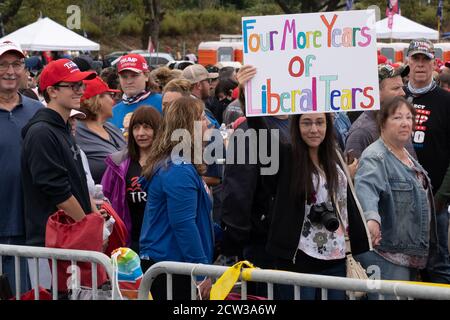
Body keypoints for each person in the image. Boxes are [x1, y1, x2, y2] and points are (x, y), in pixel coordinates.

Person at [234, 65, 371, 300]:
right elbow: (260, 132)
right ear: (296, 127)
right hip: (298, 259)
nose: (314, 129)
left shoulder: (335, 156)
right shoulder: (287, 156)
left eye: (320, 122)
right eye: (306, 122)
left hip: (336, 258)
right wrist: (248, 92)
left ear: (328, 126)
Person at [21, 59, 98, 289]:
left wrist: (94, 216)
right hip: (51, 244)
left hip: (68, 241)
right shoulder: (42, 132)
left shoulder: (62, 128)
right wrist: (88, 227)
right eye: (73, 86)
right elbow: (59, 192)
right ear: (52, 91)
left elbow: (77, 184)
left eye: (81, 85)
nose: (81, 90)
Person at [354, 96, 437, 299]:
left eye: (409, 117)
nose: (405, 122)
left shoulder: (405, 154)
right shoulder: (375, 156)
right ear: (382, 122)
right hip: (386, 255)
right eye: (398, 117)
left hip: (410, 255)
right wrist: (371, 218)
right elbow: (366, 188)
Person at [139, 96, 213, 300]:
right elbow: (183, 224)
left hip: (174, 262)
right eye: (203, 117)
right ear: (190, 126)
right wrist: (201, 272)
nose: (209, 122)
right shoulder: (178, 168)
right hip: (173, 265)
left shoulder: (178, 164)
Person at [404, 38, 450, 284]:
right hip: (399, 200)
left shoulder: (445, 101)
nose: (420, 65)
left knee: (438, 265)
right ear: (407, 61)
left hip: (435, 201)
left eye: (426, 60)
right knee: (404, 266)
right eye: (416, 59)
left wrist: (443, 195)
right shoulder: (395, 96)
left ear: (434, 64)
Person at [0, 41, 43, 295]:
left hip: (28, 226)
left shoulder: (38, 112)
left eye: (16, 64)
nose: (10, 71)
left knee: (22, 293)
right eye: (3, 64)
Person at [101, 106, 162, 252]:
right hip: (128, 242)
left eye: (147, 127)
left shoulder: (168, 163)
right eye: (136, 128)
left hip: (160, 242)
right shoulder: (118, 164)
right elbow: (104, 199)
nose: (140, 133)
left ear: (158, 130)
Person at [345, 63, 416, 160]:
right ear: (375, 92)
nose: (403, 93)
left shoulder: (400, 124)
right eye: (396, 88)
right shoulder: (361, 132)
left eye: (402, 87)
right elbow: (354, 173)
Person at [75, 76, 125, 183]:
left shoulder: (110, 127)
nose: (113, 101)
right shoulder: (75, 131)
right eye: (110, 95)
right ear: (97, 99)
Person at [109, 54, 162, 131]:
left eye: (134, 75)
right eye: (124, 77)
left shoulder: (163, 102)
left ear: (146, 76)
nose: (129, 81)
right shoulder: (113, 112)